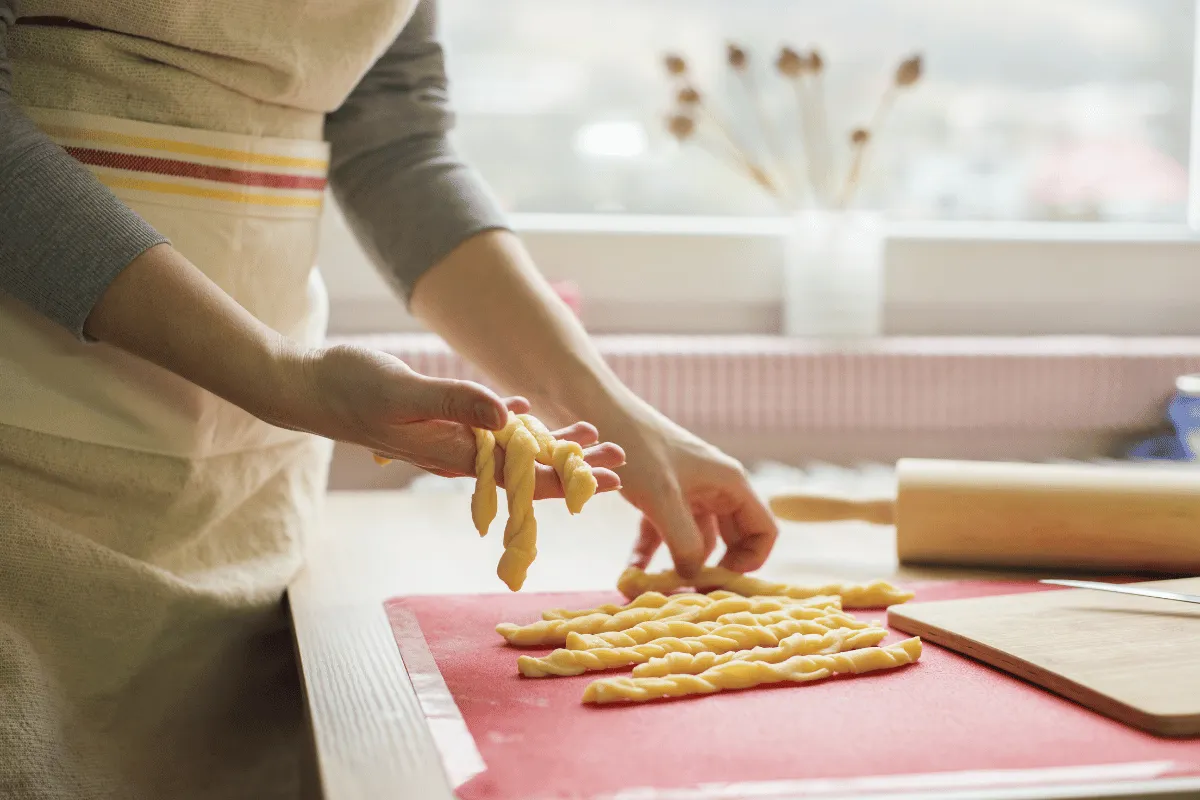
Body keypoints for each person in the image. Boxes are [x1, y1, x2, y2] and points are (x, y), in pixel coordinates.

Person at [0, 1, 779, 797]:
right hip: (25, 501)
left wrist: (616, 417)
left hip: (250, 504)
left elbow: (395, 143)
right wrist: (279, 375)